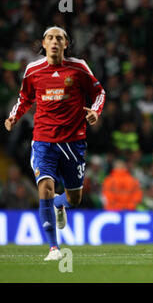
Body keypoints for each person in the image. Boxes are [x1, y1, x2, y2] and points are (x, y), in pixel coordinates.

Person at [4, 26, 105, 261]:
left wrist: (96, 112)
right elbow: (25, 98)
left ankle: (61, 205)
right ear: (44, 43)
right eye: (50, 37)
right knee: (45, 187)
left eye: (59, 38)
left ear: (66, 44)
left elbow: (99, 92)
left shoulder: (78, 67)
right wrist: (13, 117)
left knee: (74, 199)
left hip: (73, 142)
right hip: (43, 140)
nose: (55, 41)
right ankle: (53, 248)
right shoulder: (33, 70)